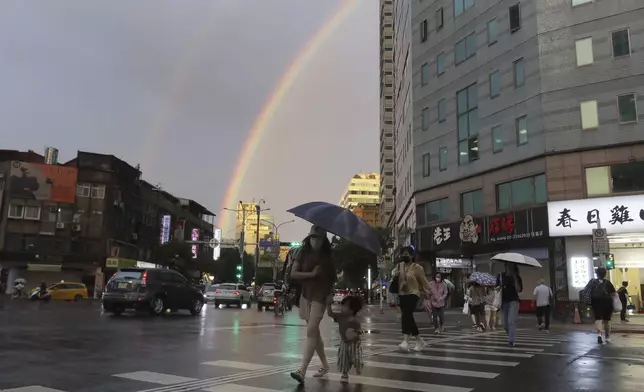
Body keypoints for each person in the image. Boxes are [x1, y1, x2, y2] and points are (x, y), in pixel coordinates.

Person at [288, 226, 336, 384]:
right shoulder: (302, 252)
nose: (315, 240)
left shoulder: (328, 257)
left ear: (324, 240)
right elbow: (293, 274)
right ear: (309, 237)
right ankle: (325, 365)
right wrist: (312, 274)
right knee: (314, 334)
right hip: (305, 296)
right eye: (313, 237)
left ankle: (302, 370)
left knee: (311, 330)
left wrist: (330, 296)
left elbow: (332, 279)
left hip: (320, 297)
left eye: (319, 237)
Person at [393, 246, 431, 352]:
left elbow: (423, 280)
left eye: (407, 253)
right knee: (408, 316)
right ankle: (419, 340)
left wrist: (428, 291)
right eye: (403, 253)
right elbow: (396, 280)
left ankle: (406, 341)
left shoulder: (417, 267)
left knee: (407, 315)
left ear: (412, 255)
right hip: (402, 293)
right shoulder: (399, 266)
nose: (405, 255)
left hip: (413, 293)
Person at [583, 267, 616, 344]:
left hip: (596, 302)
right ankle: (607, 337)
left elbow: (585, 290)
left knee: (598, 319)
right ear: (605, 274)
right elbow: (613, 293)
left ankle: (599, 335)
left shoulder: (592, 282)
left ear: (596, 274)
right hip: (607, 302)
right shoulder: (608, 283)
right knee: (607, 320)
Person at [336, 295, 364, 383]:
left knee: (356, 358)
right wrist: (328, 305)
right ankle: (344, 373)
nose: (342, 307)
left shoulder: (355, 321)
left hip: (354, 343)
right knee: (343, 358)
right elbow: (330, 314)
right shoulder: (341, 318)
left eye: (344, 306)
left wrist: (355, 334)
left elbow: (359, 331)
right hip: (344, 342)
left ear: (352, 310)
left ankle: (358, 366)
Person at [497, 263, 523, 347]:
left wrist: (515, 277)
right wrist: (499, 287)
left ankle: (511, 340)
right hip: (504, 301)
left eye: (511, 265)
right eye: (508, 265)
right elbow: (496, 287)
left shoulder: (517, 277)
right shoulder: (500, 276)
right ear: (505, 266)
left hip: (514, 301)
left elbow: (518, 289)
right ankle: (510, 335)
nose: (509, 267)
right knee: (505, 324)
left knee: (511, 321)